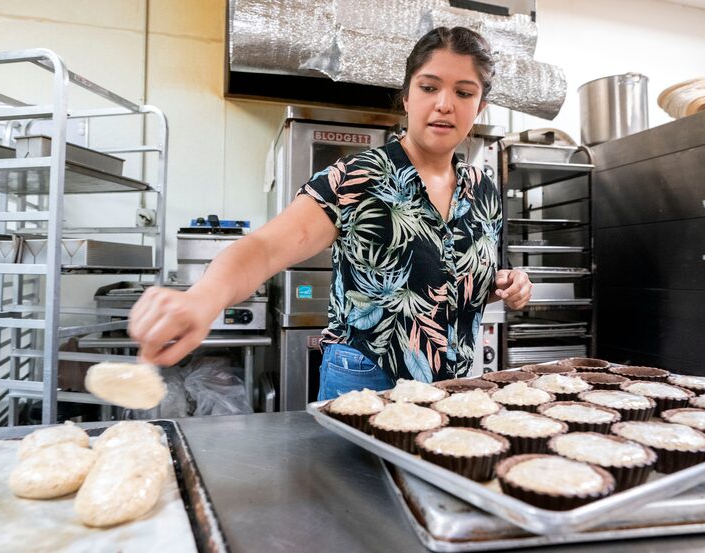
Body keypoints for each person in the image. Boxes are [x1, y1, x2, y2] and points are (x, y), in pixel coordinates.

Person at [128, 26, 532, 400]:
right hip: (366, 384)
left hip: (454, 388)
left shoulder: (483, 191)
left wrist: (509, 285)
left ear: (479, 106)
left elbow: (467, 277)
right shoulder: (358, 176)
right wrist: (202, 298)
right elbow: (266, 248)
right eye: (429, 87)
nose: (445, 104)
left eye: (464, 93)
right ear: (407, 97)